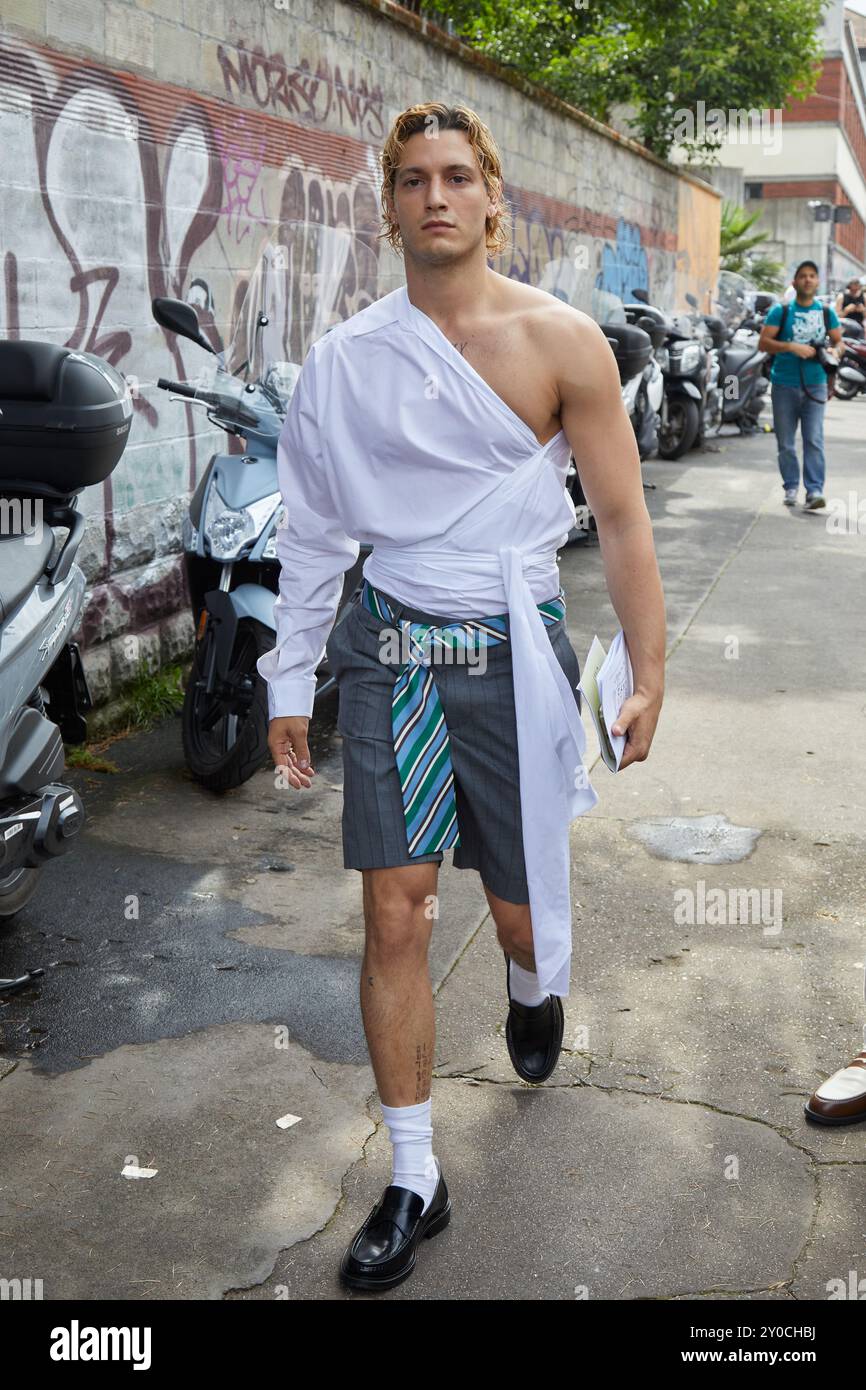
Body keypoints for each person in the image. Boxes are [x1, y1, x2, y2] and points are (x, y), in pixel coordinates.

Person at [256, 102, 666, 1292]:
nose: (432, 197)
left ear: (491, 198)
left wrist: (650, 674)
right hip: (391, 649)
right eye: (409, 180)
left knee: (522, 918)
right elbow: (317, 534)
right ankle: (414, 1175)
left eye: (454, 177)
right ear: (386, 205)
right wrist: (291, 675)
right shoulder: (344, 361)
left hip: (511, 647)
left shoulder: (562, 342)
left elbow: (625, 520)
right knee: (395, 913)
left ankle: (533, 990)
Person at [759, 260, 842, 511]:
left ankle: (814, 491)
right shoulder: (781, 312)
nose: (808, 279)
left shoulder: (827, 313)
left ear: (818, 282)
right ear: (795, 282)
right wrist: (790, 346)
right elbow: (763, 343)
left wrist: (834, 352)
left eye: (812, 276)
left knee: (814, 438)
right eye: (803, 276)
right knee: (785, 441)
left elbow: (839, 342)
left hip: (815, 384)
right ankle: (791, 486)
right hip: (784, 384)